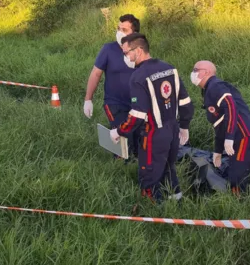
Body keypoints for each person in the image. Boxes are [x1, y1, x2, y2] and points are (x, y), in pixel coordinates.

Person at [110, 33, 194, 202]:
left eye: (126, 53)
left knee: (149, 173)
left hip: (153, 134)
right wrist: (184, 126)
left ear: (139, 50)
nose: (125, 57)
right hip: (172, 130)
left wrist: (119, 131)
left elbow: (138, 115)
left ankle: (153, 212)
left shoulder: (138, 77)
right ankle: (176, 201)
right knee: (169, 167)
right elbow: (185, 102)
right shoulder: (169, 68)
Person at [190, 60, 250, 195]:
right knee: (242, 173)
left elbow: (230, 106)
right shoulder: (208, 91)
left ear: (206, 72)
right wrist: (217, 150)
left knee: (238, 176)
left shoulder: (215, 85)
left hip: (244, 136)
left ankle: (241, 206)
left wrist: (229, 137)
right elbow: (219, 124)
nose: (193, 73)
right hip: (239, 136)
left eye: (196, 70)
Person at [83, 14, 142, 160]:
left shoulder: (140, 50)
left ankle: (136, 163)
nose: (120, 32)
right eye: (118, 28)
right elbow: (96, 73)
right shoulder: (109, 49)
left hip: (137, 104)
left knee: (139, 140)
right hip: (115, 103)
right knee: (123, 136)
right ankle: (120, 166)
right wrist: (88, 99)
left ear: (134, 33)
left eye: (124, 29)